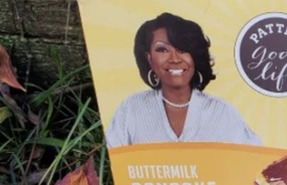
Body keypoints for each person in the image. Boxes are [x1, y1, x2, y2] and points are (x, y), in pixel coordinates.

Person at [105, 13, 262, 148]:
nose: (174, 59)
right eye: (163, 50)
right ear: (149, 58)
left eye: (183, 50)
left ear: (195, 56)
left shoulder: (222, 112)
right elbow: (115, 164)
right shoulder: (131, 109)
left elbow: (253, 162)